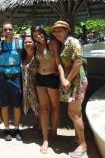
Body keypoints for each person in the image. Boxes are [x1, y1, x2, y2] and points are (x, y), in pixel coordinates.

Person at [51, 21, 88, 158]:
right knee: (76, 113)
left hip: (77, 81)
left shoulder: (72, 42)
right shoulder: (62, 44)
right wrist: (63, 78)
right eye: (55, 31)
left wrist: (67, 79)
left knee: (74, 113)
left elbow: (78, 62)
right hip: (70, 81)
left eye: (60, 30)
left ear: (67, 30)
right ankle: (78, 139)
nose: (57, 33)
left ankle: (83, 145)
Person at [31, 26, 64, 154]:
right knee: (43, 108)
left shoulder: (53, 43)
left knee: (55, 106)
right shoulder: (36, 46)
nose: (38, 37)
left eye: (39, 34)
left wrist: (62, 77)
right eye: (35, 35)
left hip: (52, 78)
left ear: (43, 33)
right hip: (40, 78)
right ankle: (45, 139)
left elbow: (58, 61)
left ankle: (54, 132)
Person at [0, 22, 23, 141]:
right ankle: (6, 129)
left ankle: (17, 129)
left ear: (13, 30)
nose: (8, 31)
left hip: (16, 77)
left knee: (17, 105)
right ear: (3, 32)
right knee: (4, 105)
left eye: (10, 29)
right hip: (2, 78)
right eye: (5, 29)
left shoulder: (20, 44)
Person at [21, 33, 39, 122]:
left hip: (37, 85)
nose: (27, 44)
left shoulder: (38, 55)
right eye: (25, 42)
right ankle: (37, 123)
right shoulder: (22, 56)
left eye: (30, 42)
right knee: (32, 105)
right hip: (26, 86)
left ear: (34, 43)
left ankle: (41, 125)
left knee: (39, 105)